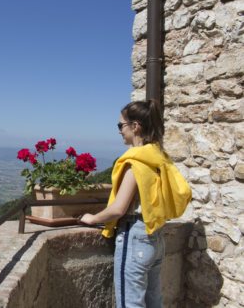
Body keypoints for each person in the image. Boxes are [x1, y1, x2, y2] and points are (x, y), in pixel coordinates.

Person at [80, 100, 191, 308]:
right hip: (155, 237)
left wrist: (92, 218)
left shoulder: (136, 164)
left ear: (135, 126)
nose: (120, 131)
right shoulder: (159, 160)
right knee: (154, 301)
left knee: (130, 303)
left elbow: (118, 208)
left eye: (121, 125)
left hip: (135, 237)